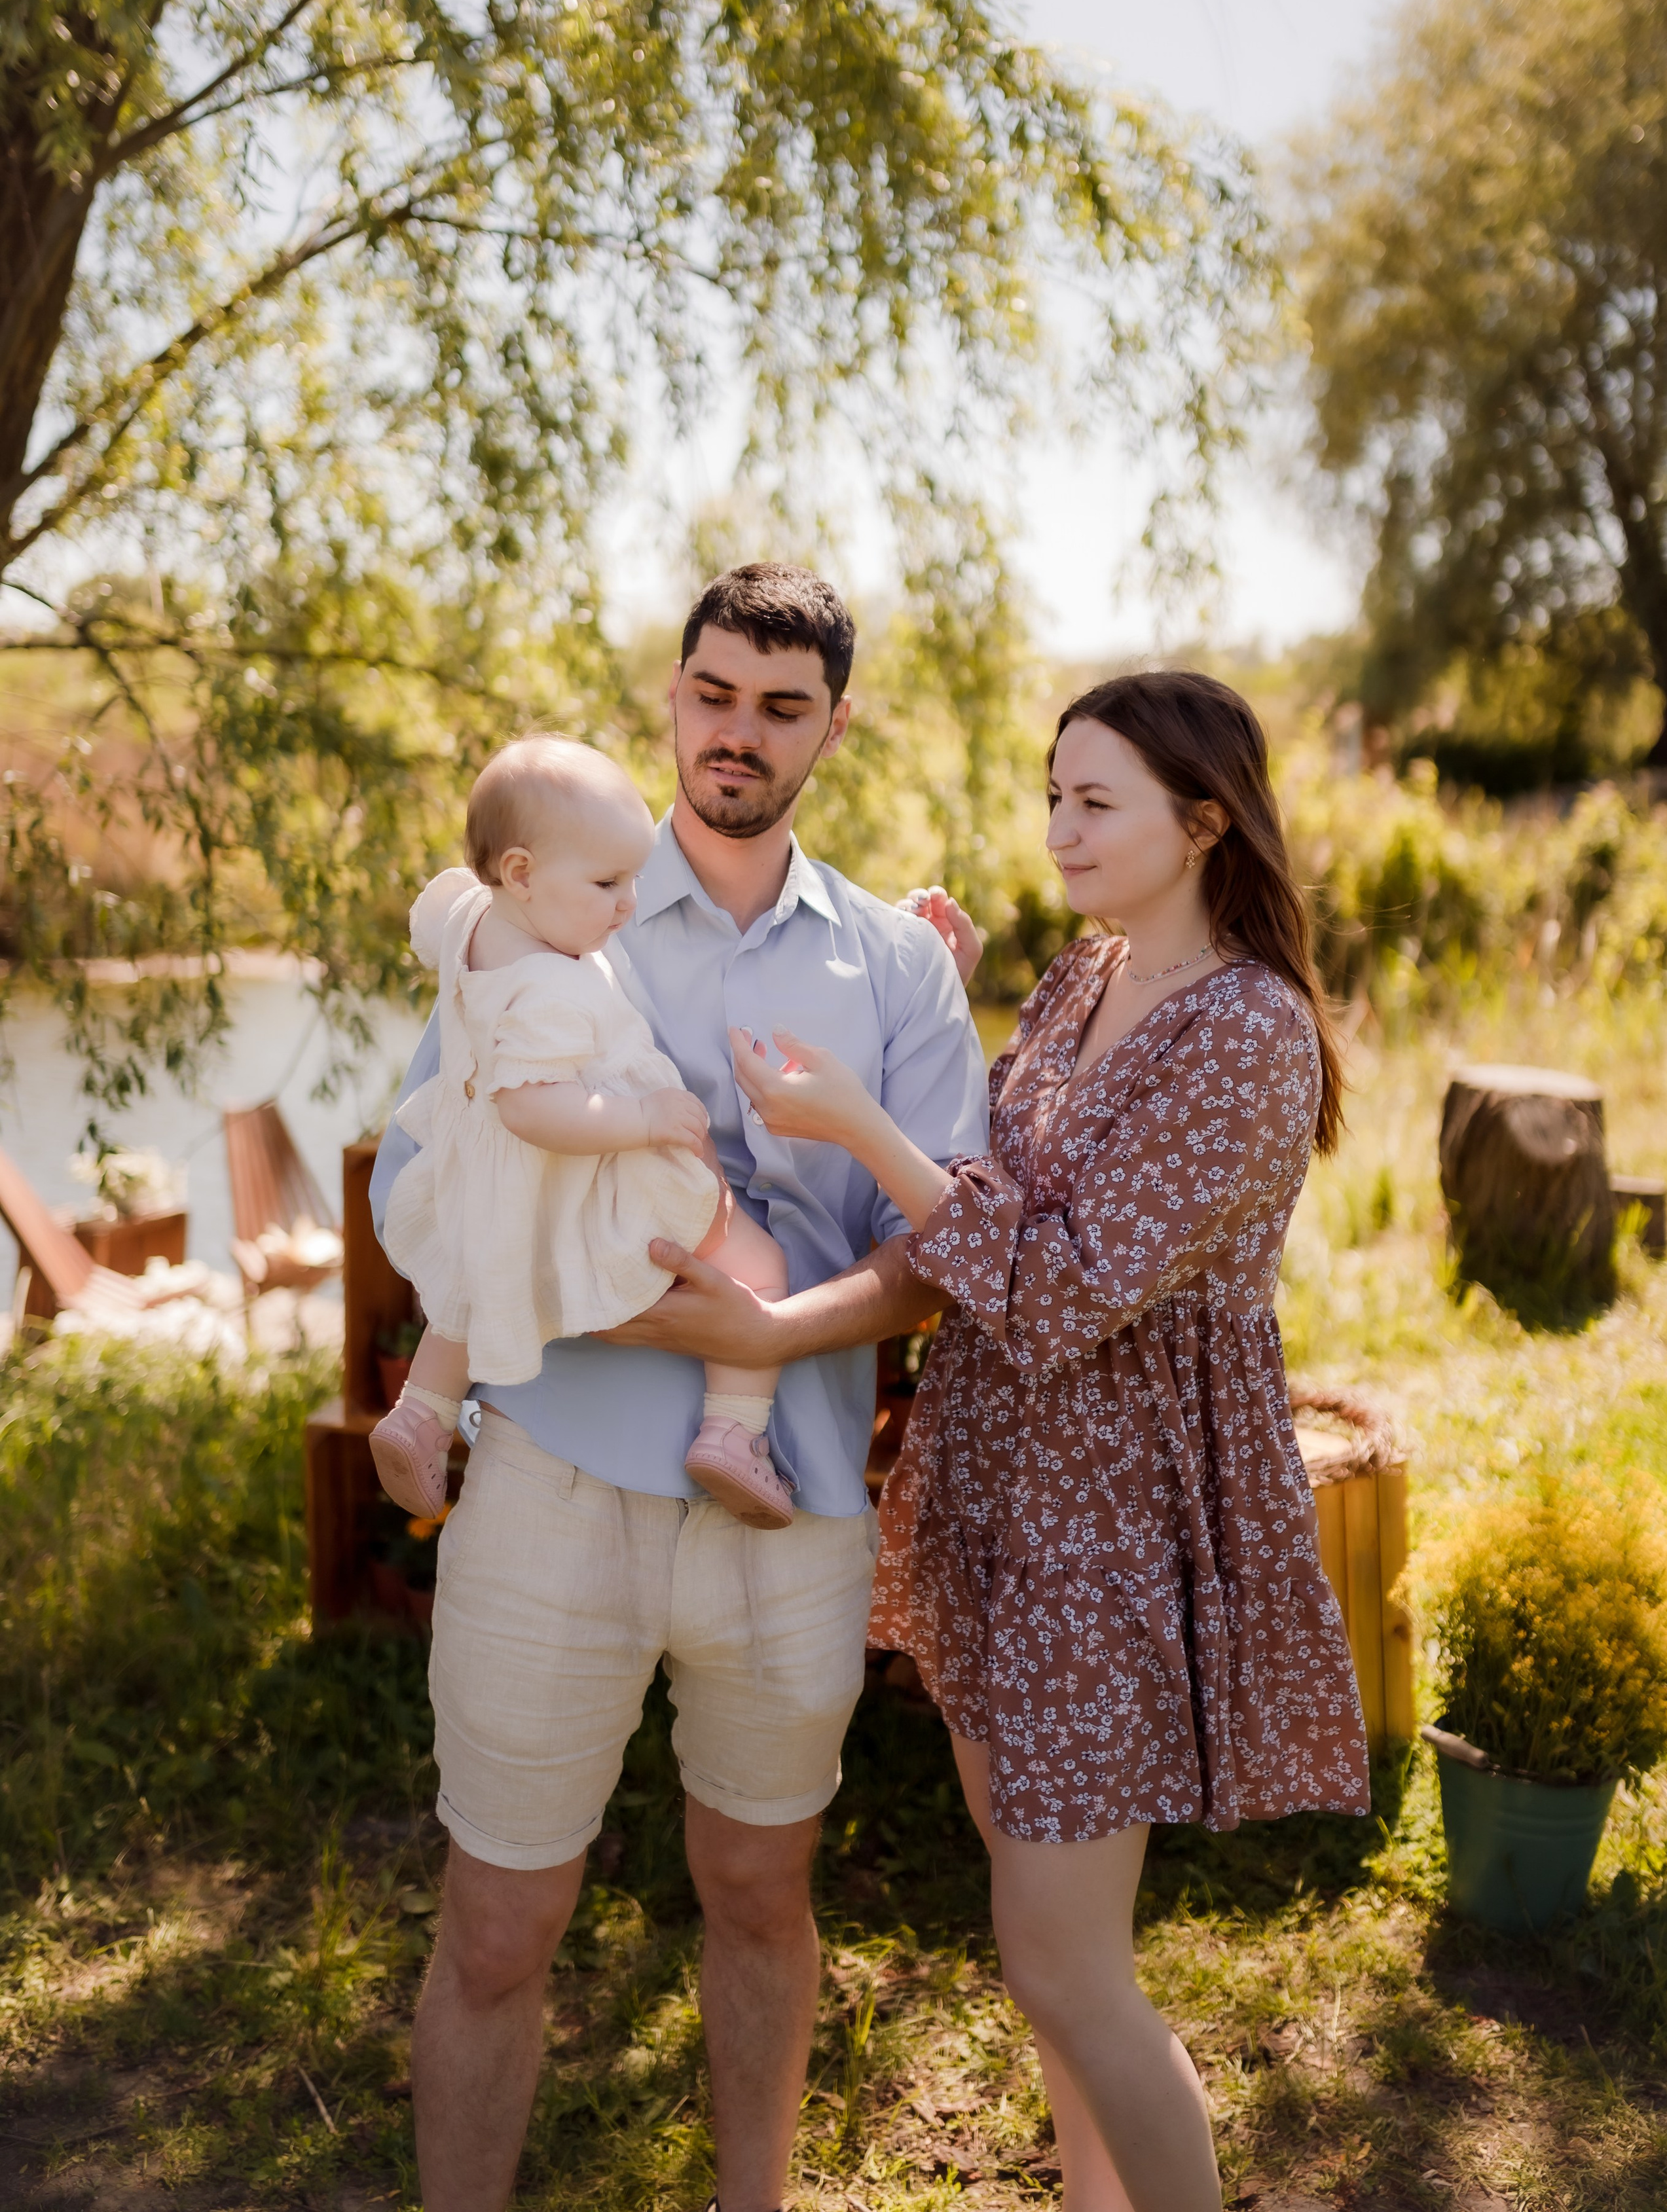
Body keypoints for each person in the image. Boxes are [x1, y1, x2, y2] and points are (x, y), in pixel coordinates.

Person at [368, 562, 988, 2212]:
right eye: (713, 692)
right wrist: (637, 1314)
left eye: (781, 707)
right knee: (497, 1925)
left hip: (792, 1507)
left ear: (832, 728)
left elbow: (942, 1249)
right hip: (552, 1484)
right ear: (672, 691)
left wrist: (770, 1340)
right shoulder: (539, 912)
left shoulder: (898, 965)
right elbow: (422, 1182)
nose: (738, 730)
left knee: (762, 1894)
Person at [732, 668, 1370, 2212]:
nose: (1058, 829)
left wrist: (861, 1127)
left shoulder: (1246, 1030)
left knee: (1061, 1961)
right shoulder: (1084, 977)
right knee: (1051, 1956)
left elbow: (1061, 1282)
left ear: (1202, 822)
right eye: (1051, 796)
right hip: (996, 1485)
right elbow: (993, 1186)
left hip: (1111, 1516)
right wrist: (930, 1008)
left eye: (1095, 802)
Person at [369, 736, 798, 1528]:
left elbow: (432, 921)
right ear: (521, 873)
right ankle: (735, 1431)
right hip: (578, 1169)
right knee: (758, 1265)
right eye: (606, 884)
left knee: (472, 1277)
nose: (628, 904)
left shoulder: (471, 918)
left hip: (484, 1175)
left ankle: (421, 1413)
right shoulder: (548, 989)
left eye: (632, 879)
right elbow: (531, 1109)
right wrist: (643, 1119)